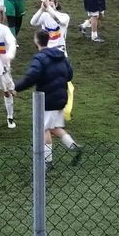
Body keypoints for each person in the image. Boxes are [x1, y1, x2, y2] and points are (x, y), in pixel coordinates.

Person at [14, 29, 82, 172]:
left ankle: (48, 161)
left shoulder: (40, 58)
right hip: (61, 97)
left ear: (36, 41)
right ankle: (73, 146)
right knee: (54, 127)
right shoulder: (61, 56)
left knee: (43, 129)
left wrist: (16, 88)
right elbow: (69, 75)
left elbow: (31, 76)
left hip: (47, 99)